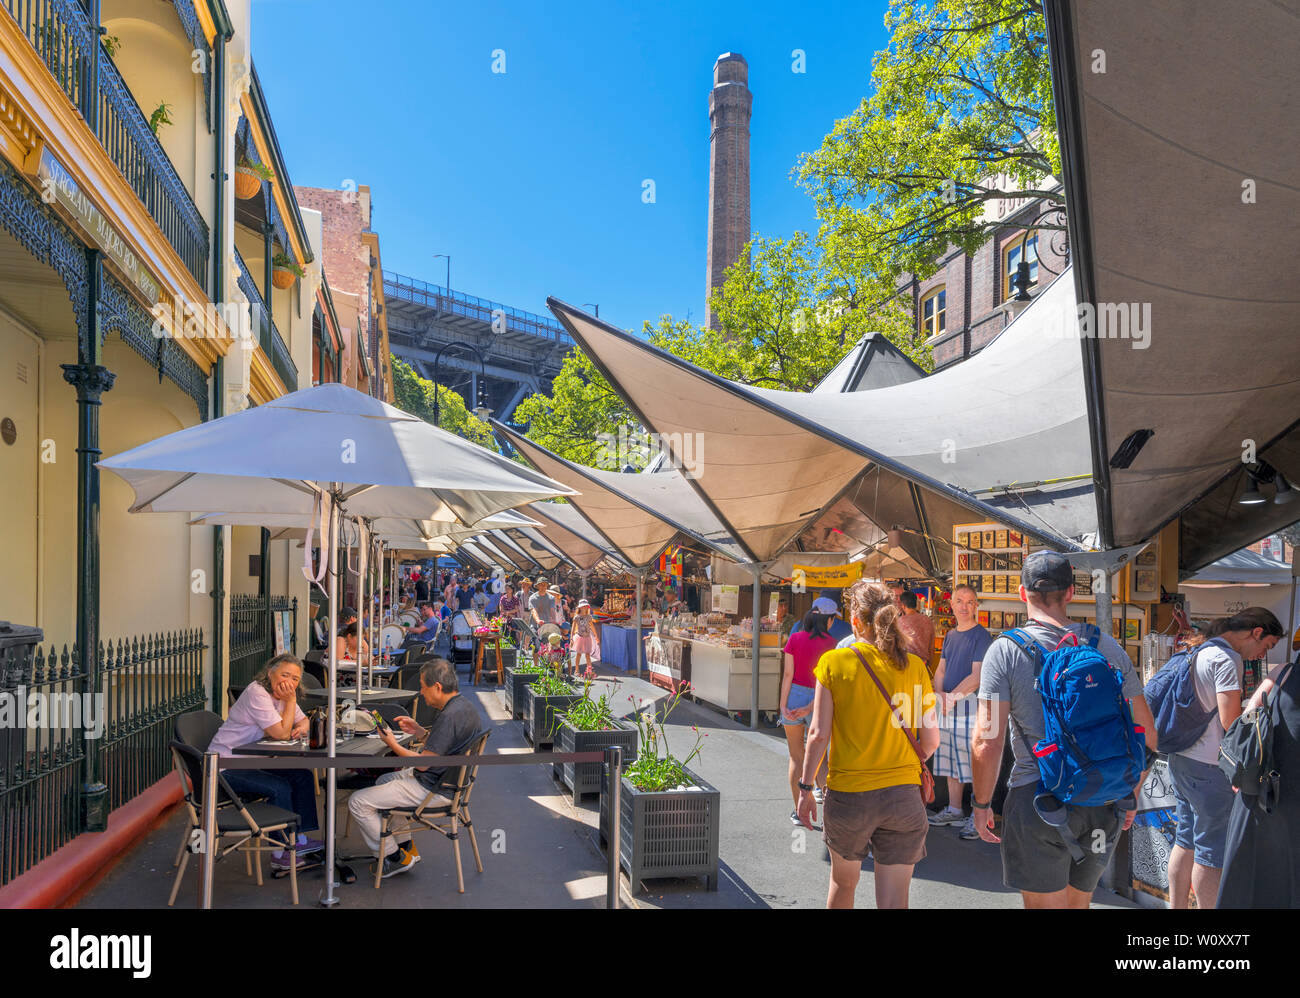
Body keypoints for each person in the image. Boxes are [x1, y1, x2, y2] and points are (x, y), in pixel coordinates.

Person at [970, 551, 1157, 909]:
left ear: (1022, 594)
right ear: (1071, 593)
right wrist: (1129, 790)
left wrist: (980, 804)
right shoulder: (1107, 647)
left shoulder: (1005, 651)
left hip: (1038, 799)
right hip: (1103, 801)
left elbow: (986, 741)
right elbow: (1147, 733)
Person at [797, 580, 938, 909]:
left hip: (850, 795)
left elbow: (818, 734)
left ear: (855, 621)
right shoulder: (916, 668)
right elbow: (931, 740)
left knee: (843, 883)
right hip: (904, 796)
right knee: (894, 901)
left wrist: (805, 788)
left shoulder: (834, 664)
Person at [1165, 607, 1282, 910]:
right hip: (1209, 766)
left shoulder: (1202, 647)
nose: (1260, 654)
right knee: (1211, 852)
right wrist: (1255, 708)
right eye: (1266, 646)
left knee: (1185, 840)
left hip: (1182, 758)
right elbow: (1231, 723)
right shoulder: (1228, 659)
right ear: (1256, 632)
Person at [347, 659, 483, 878]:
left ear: (437, 687)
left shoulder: (448, 716)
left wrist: (391, 743)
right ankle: (406, 846)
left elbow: (423, 763)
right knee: (384, 781)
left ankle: (394, 858)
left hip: (434, 789)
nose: (420, 692)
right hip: (450, 784)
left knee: (358, 801)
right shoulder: (464, 707)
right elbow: (446, 746)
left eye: (423, 686)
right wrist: (419, 731)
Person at [208, 654, 321, 870]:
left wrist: (302, 727)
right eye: (284, 675)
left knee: (302, 775)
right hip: (227, 766)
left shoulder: (283, 695)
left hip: (253, 761)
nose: (290, 682)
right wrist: (291, 701)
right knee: (279, 787)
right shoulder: (257, 692)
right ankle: (280, 851)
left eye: (295, 679)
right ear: (270, 673)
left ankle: (300, 839)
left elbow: (304, 720)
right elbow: (280, 734)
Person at [1218, 656, 1300, 907]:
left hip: (1258, 795)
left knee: (1246, 885)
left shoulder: (1281, 672)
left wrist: (1243, 768)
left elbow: (1246, 719)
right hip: (1289, 810)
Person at [927, 583, 991, 840]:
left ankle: (978, 818)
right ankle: (954, 810)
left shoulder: (981, 636)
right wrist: (940, 696)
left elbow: (977, 676)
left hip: (970, 708)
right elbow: (941, 670)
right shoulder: (951, 636)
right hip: (949, 706)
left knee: (974, 764)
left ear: (976, 605)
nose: (964, 606)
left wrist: (950, 698)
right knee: (952, 761)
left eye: (969, 601)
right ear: (951, 605)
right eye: (959, 601)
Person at [780, 610, 837, 823]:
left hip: (793, 694)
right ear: (828, 620)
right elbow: (829, 682)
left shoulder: (795, 638)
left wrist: (783, 704)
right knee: (824, 759)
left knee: (796, 756)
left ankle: (798, 811)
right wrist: (810, 706)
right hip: (821, 698)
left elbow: (788, 674)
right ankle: (830, 817)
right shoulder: (833, 644)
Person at [897, 591, 936, 672]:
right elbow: (931, 647)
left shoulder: (900, 622)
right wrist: (930, 664)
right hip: (923, 665)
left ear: (903, 606)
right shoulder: (928, 621)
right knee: (919, 685)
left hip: (906, 665)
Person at [571, 599, 598, 675]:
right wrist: (571, 638)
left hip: (587, 637)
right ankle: (576, 670)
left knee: (587, 654)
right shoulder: (577, 617)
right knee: (579, 654)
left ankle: (589, 671)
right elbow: (573, 628)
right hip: (579, 637)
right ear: (580, 607)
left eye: (586, 606)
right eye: (583, 606)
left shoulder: (589, 617)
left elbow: (592, 627)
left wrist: (596, 636)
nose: (585, 607)